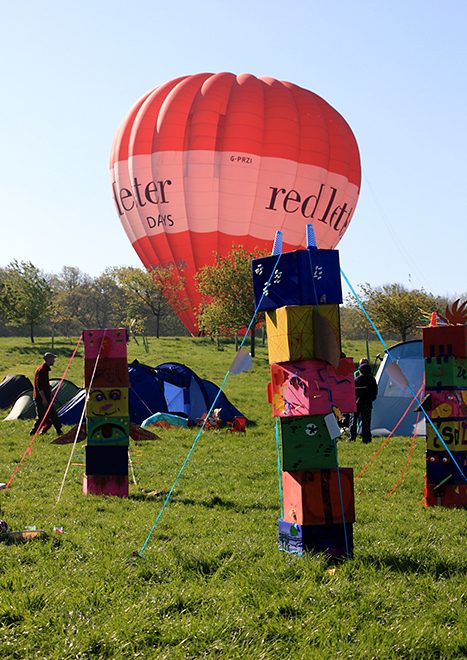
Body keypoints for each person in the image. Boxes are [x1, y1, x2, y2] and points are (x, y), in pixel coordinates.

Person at [30, 352, 62, 436]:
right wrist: (44, 399)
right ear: (48, 359)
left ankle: (58, 431)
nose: (54, 360)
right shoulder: (42, 370)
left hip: (45, 397)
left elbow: (43, 384)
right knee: (41, 417)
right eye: (52, 359)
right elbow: (39, 386)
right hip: (40, 398)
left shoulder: (45, 369)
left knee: (53, 415)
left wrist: (48, 387)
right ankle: (33, 432)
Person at [349, 359, 378, 444]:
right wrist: (372, 399)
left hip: (356, 403)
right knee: (366, 422)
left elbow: (352, 392)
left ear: (360, 371)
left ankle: (352, 437)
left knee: (353, 421)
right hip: (367, 403)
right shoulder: (372, 380)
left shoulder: (356, 380)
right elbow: (375, 391)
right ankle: (366, 439)